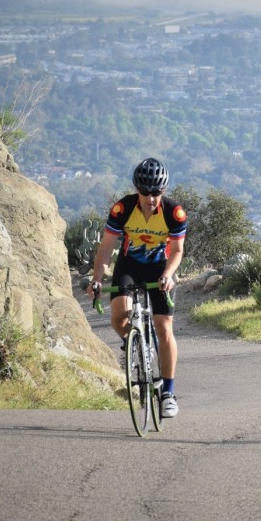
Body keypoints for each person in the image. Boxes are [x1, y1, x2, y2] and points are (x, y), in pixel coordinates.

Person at [87, 157, 187, 418]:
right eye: (145, 192)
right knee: (118, 317)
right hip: (129, 265)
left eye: (156, 193)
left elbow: (177, 251)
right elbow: (106, 247)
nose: (150, 198)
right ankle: (133, 345)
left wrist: (168, 275)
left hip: (161, 267)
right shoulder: (122, 209)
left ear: (163, 191)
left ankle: (168, 394)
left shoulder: (174, 213)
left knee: (164, 328)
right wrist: (97, 279)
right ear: (137, 190)